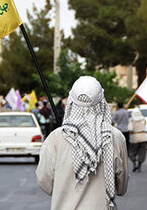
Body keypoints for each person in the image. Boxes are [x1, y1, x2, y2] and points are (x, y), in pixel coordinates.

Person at [36, 76, 129, 210]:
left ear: (71, 103)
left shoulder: (56, 138)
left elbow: (45, 182)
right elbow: (121, 188)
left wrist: (64, 189)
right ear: (102, 102)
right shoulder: (115, 137)